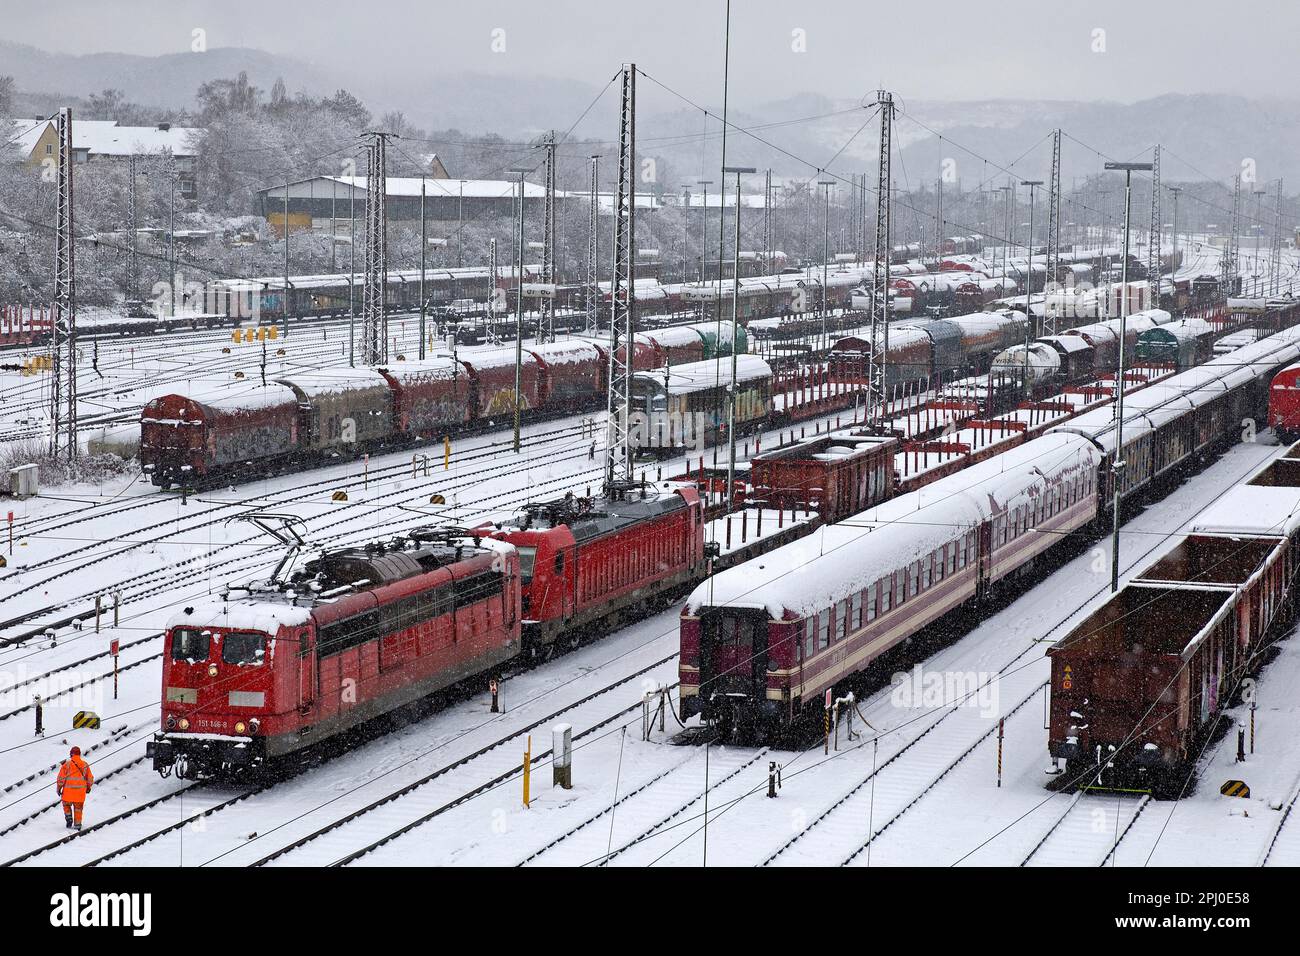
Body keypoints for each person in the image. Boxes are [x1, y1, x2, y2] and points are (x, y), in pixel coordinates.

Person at [56, 746, 93, 830]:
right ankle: (78, 824)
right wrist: (88, 787)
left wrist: (58, 788)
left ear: (71, 754)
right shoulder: (85, 765)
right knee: (78, 809)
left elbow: (60, 779)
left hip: (68, 793)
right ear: (79, 754)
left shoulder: (67, 764)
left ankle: (69, 817)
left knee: (66, 804)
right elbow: (90, 779)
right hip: (80, 794)